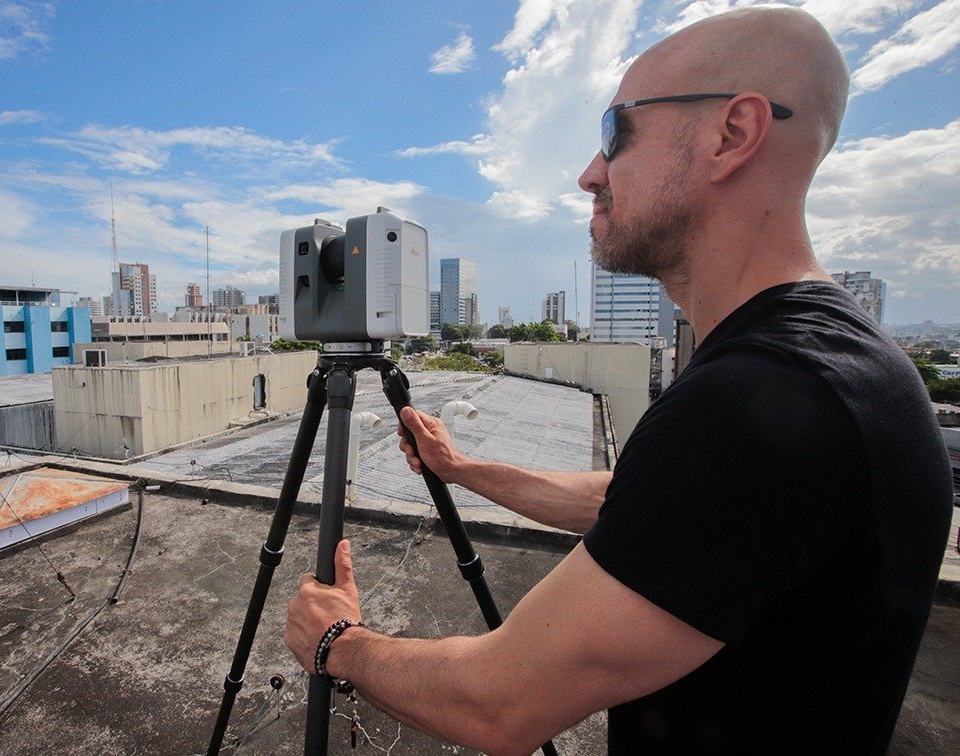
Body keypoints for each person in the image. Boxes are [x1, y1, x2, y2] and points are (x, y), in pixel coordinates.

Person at [285, 6, 954, 753]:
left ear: (733, 133)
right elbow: (645, 505)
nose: (589, 173)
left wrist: (336, 642)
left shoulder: (762, 401)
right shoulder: (826, 365)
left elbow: (498, 702)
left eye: (617, 132)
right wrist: (462, 469)